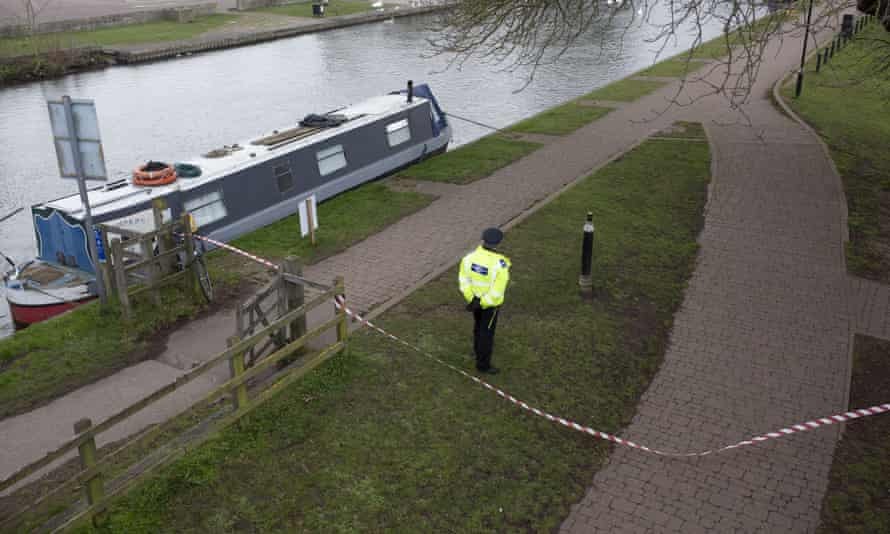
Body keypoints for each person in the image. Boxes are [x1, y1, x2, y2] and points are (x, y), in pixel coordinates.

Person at [459, 227, 511, 374]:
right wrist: (483, 302)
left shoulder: (469, 258)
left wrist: (473, 299)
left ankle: (477, 350)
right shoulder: (500, 264)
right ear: (498, 243)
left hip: (474, 302)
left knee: (478, 326)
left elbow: (464, 281)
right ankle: (483, 365)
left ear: (483, 239)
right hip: (490, 306)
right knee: (486, 334)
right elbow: (497, 290)